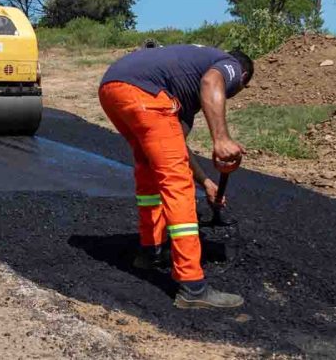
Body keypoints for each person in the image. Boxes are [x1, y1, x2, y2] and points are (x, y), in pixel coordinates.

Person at [98, 44, 254, 309]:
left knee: (149, 172)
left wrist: (206, 181)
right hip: (144, 92)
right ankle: (193, 286)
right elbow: (211, 81)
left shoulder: (181, 83)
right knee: (178, 186)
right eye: (240, 89)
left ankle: (151, 251)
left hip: (113, 87)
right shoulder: (231, 65)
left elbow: (176, 146)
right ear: (244, 79)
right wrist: (221, 139)